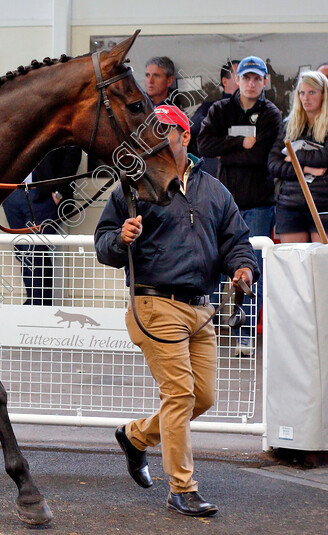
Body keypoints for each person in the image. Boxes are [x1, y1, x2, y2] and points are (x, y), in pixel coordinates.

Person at [96, 105, 259, 518]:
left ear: (185, 137)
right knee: (180, 394)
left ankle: (134, 437)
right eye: (150, 130)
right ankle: (182, 489)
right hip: (154, 303)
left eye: (164, 130)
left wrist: (243, 267)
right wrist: (121, 238)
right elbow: (103, 244)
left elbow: (236, 239)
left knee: (202, 397)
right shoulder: (132, 187)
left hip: (201, 308)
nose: (154, 137)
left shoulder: (215, 190)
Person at [197, 55, 282, 354]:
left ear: (264, 82)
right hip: (224, 202)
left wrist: (228, 148)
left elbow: (261, 158)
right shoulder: (220, 109)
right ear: (237, 79)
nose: (251, 83)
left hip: (259, 203)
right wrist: (238, 142)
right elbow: (203, 145)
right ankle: (209, 331)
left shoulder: (272, 114)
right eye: (246, 77)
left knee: (251, 270)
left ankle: (245, 334)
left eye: (257, 78)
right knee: (218, 266)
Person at [2, 146, 80, 305]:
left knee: (34, 250)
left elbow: (72, 151)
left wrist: (59, 192)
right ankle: (38, 304)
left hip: (44, 196)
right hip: (13, 194)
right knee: (22, 251)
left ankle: (37, 306)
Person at [269, 71, 328, 243]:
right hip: (290, 206)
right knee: (294, 266)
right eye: (302, 93)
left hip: (323, 205)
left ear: (323, 94)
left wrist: (295, 156)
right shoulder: (289, 125)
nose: (306, 98)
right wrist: (305, 168)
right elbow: (273, 165)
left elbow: (325, 157)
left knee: (322, 266)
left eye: (312, 92)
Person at [187, 60, 239, 175]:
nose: (245, 81)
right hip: (216, 172)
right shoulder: (209, 107)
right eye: (239, 76)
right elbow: (192, 125)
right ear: (225, 81)